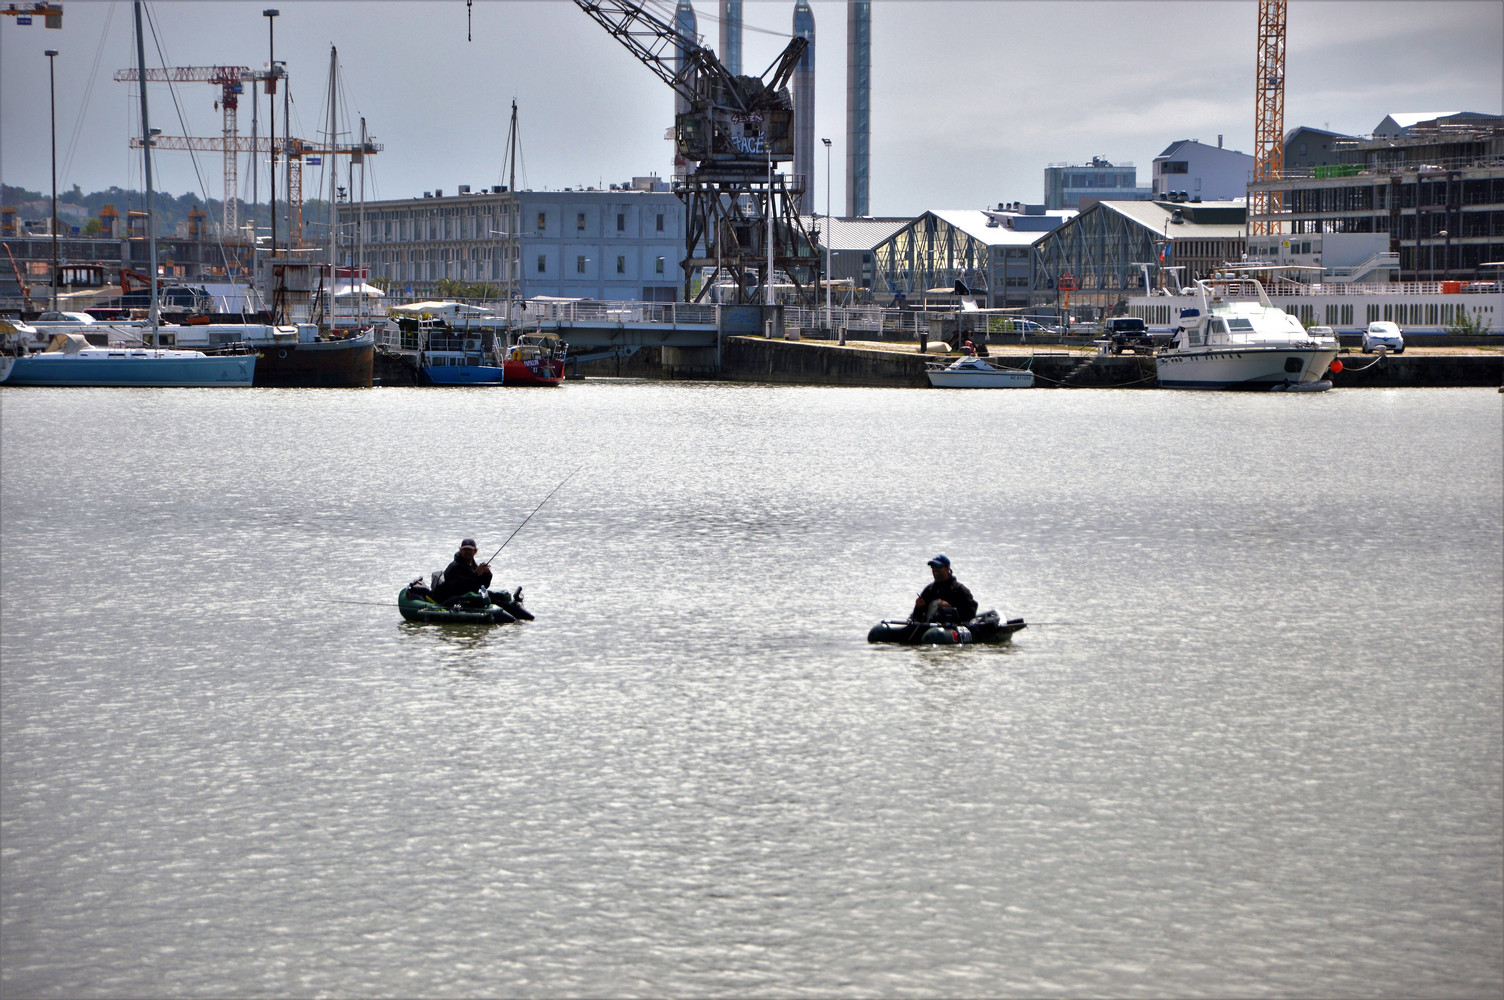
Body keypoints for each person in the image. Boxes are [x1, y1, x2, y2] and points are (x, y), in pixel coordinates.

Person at [913, 554, 977, 624]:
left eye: (938, 566)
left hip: (952, 629)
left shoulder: (959, 590)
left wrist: (950, 609)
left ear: (947, 568)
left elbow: (971, 614)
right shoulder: (929, 590)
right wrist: (918, 607)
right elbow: (917, 617)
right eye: (933, 566)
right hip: (930, 630)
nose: (935, 569)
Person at [433, 538, 493, 604]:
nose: (467, 552)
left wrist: (487, 574)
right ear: (460, 551)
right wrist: (476, 574)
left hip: (468, 599)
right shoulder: (454, 567)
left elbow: (483, 586)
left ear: (475, 551)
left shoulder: (473, 566)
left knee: (495, 596)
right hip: (453, 600)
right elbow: (460, 588)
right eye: (465, 549)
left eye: (470, 550)